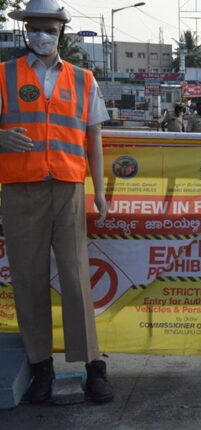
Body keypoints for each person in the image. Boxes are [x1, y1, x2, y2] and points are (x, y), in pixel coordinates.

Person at [0, 0, 112, 403]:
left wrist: (99, 190)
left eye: (49, 28)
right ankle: (41, 367)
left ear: (62, 31)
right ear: (25, 29)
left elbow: (93, 137)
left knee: (76, 277)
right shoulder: (3, 76)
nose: (41, 35)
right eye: (35, 28)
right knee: (27, 281)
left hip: (67, 187)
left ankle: (92, 365)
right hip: (19, 188)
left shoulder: (84, 80)